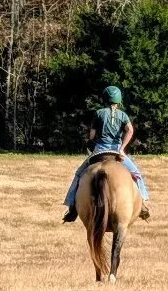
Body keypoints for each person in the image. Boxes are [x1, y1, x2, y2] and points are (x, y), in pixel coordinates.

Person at [62, 85, 151, 222]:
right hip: (116, 151)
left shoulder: (99, 113)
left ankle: (72, 206)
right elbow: (130, 130)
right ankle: (143, 204)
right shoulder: (123, 115)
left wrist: (92, 139)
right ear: (119, 100)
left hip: (100, 150)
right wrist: (122, 148)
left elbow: (92, 135)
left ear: (104, 99)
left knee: (79, 174)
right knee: (136, 174)